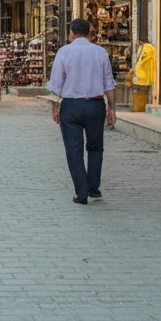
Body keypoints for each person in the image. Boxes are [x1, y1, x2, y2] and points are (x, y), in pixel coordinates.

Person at [47, 19, 117, 204]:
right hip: (95, 106)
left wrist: (55, 107)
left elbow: (56, 85)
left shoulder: (63, 52)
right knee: (95, 147)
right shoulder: (100, 52)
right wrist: (112, 108)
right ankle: (93, 185)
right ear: (90, 34)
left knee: (74, 150)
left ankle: (81, 192)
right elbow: (109, 84)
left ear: (71, 33)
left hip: (71, 107)